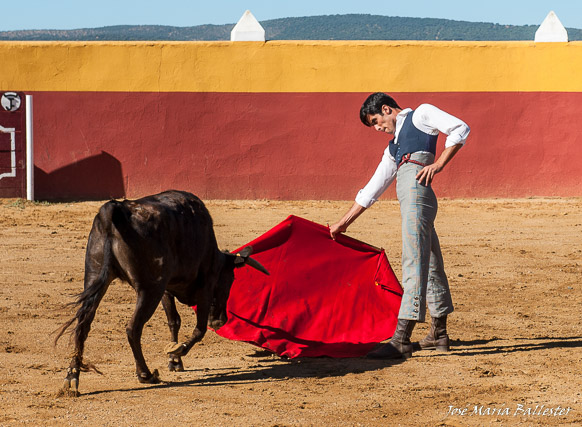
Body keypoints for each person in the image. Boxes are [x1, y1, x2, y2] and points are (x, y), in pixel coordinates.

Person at [329, 92, 470, 359]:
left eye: (375, 121)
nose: (377, 128)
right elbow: (374, 185)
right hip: (411, 198)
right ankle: (439, 334)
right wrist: (344, 222)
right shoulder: (393, 147)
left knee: (413, 258)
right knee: (429, 259)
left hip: (417, 194)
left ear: (386, 109)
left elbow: (460, 128)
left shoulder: (421, 113)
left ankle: (402, 338)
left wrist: (438, 165)